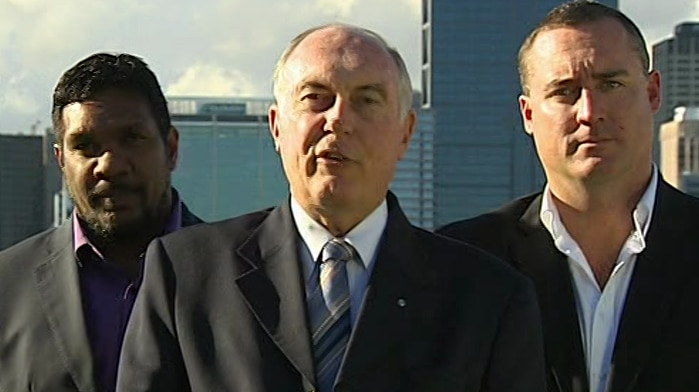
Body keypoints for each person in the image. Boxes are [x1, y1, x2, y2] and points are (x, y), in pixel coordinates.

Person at [116, 24, 546, 392]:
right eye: (315, 97)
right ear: (276, 126)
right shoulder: (185, 274)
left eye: (367, 100)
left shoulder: (487, 297)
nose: (339, 119)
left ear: (405, 133)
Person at [438, 1, 699, 392]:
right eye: (565, 92)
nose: (589, 112)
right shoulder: (458, 265)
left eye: (611, 84)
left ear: (653, 93)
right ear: (528, 115)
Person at [0, 53, 202, 392]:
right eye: (86, 146)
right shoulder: (6, 288)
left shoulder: (248, 280)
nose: (108, 165)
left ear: (171, 148)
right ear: (61, 160)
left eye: (131, 139)